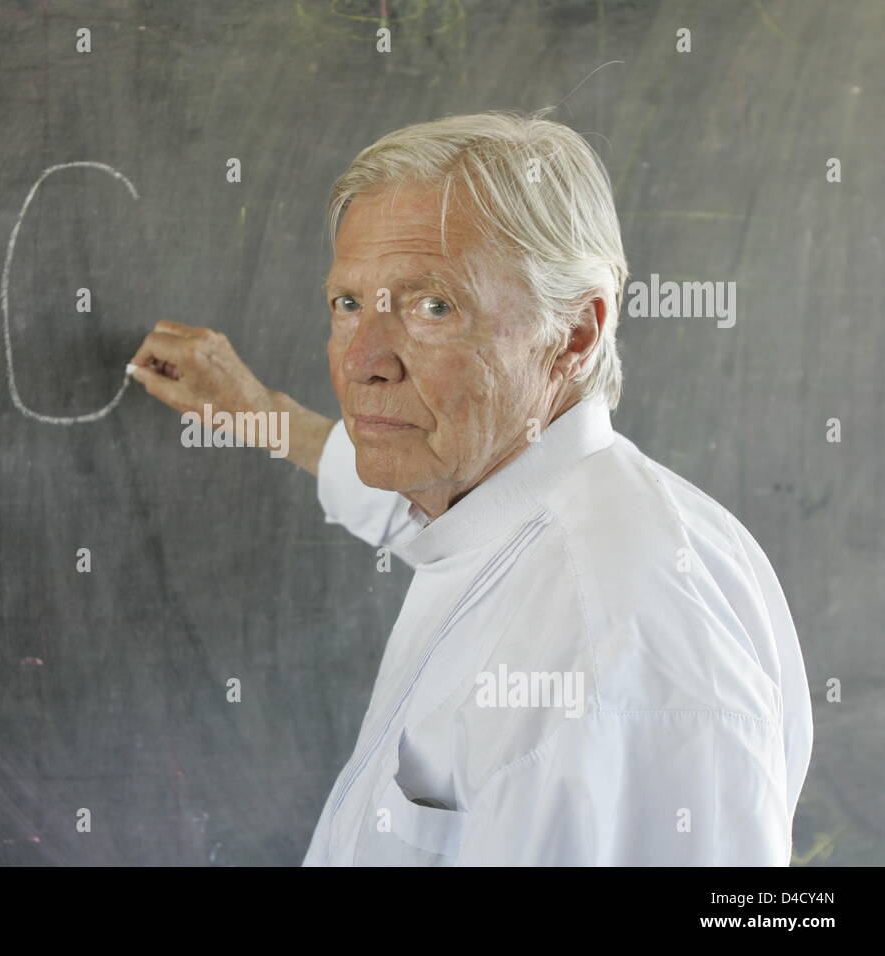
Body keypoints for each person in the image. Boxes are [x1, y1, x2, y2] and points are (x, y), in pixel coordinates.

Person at [127, 112, 813, 866]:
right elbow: (436, 522)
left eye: (432, 308)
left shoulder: (611, 649)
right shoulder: (506, 506)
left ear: (574, 337)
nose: (361, 362)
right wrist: (265, 420)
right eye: (348, 304)